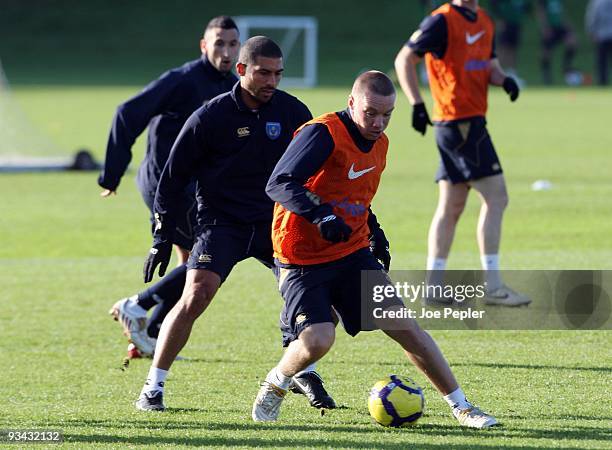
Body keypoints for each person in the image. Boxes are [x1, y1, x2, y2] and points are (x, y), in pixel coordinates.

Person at [252, 71, 497, 429]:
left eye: (387, 115)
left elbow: (355, 195)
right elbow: (279, 183)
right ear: (352, 103)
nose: (378, 123)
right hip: (301, 257)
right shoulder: (322, 134)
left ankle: (462, 408)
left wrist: (374, 230)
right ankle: (277, 382)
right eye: (370, 113)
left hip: (350, 252)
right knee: (319, 339)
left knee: (404, 324)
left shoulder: (380, 144)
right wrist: (320, 216)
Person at [137, 36, 336, 412]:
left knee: (311, 291)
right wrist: (162, 234)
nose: (271, 81)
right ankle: (153, 387)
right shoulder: (210, 116)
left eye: (278, 73)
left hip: (275, 222)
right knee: (196, 294)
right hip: (221, 222)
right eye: (263, 73)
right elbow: (173, 175)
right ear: (242, 70)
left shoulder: (293, 112)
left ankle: (297, 368)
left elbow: (319, 171)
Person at [98, 16, 240, 356]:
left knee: (192, 263)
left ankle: (150, 334)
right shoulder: (183, 80)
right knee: (211, 259)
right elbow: (126, 113)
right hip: (167, 185)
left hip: (193, 189)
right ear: (204, 46)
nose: (226, 50)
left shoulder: (232, 86)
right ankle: (137, 305)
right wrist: (112, 173)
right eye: (219, 43)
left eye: (232, 44)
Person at [394, 0, 530, 306]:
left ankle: (434, 285)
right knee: (497, 197)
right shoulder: (440, 21)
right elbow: (404, 59)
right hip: (459, 124)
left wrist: (504, 79)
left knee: (452, 205)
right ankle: (494, 286)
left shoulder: (484, 20)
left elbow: (490, 67)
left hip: (466, 123)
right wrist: (416, 103)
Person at [535, 0, 579, 85]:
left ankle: (566, 68)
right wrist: (544, 27)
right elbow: (540, 12)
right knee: (546, 53)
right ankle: (546, 75)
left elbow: (561, 11)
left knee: (572, 42)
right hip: (550, 27)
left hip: (560, 26)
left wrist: (567, 23)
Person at [490, 0, 530, 84]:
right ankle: (495, 73)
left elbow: (527, 7)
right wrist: (500, 18)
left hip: (516, 23)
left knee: (513, 49)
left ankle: (512, 73)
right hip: (506, 22)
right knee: (503, 48)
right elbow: (494, 3)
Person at [585, 0, 612, 86]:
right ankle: (602, 82)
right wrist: (592, 31)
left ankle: (602, 82)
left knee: (602, 62)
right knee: (602, 61)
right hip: (602, 35)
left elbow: (591, 17)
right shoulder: (597, 2)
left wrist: (591, 31)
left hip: (602, 35)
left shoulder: (596, 2)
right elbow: (592, 17)